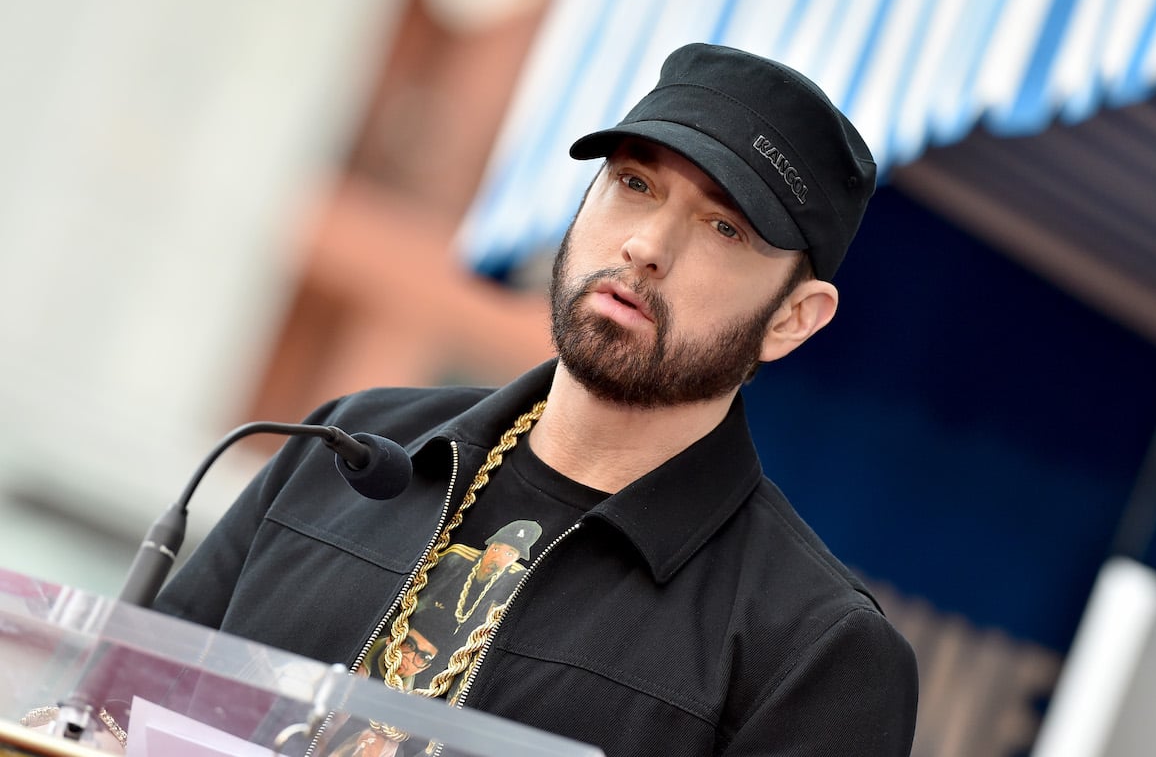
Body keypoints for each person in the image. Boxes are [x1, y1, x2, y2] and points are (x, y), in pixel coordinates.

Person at [155, 43, 919, 756]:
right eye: (634, 182)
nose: (646, 245)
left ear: (792, 317)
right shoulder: (348, 445)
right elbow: (131, 707)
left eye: (724, 226)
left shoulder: (817, 650)